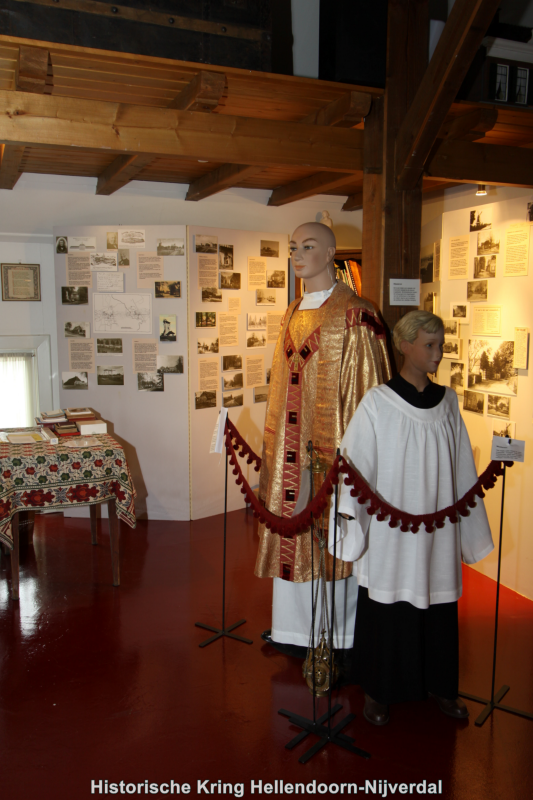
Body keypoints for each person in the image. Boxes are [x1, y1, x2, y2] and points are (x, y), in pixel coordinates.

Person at [330, 310, 494, 724]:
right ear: (405, 346)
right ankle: (378, 690)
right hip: (392, 531)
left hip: (437, 529)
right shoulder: (377, 403)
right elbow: (355, 467)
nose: (438, 354)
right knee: (387, 607)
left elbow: (461, 470)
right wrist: (351, 523)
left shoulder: (448, 402)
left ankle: (440, 686)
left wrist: (468, 530)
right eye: (429, 345)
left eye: (441, 345)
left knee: (437, 606)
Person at [255, 222, 391, 656]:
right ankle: (292, 632)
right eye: (293, 246)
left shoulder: (358, 315)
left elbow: (370, 398)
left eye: (308, 246)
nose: (298, 254)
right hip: (290, 449)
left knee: (334, 540)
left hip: (334, 456)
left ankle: (339, 637)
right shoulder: (292, 311)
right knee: (291, 536)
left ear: (331, 252)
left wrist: (356, 459)